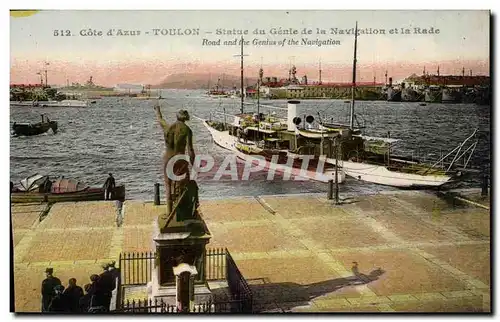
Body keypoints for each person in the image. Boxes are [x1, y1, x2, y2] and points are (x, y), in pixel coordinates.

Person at [154, 106, 195, 214]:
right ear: (185, 118)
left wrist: (158, 110)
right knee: (182, 184)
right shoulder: (187, 130)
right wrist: (193, 165)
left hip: (168, 157)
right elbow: (190, 150)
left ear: (177, 117)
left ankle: (169, 212)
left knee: (168, 185)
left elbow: (160, 119)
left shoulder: (168, 128)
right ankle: (181, 212)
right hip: (180, 159)